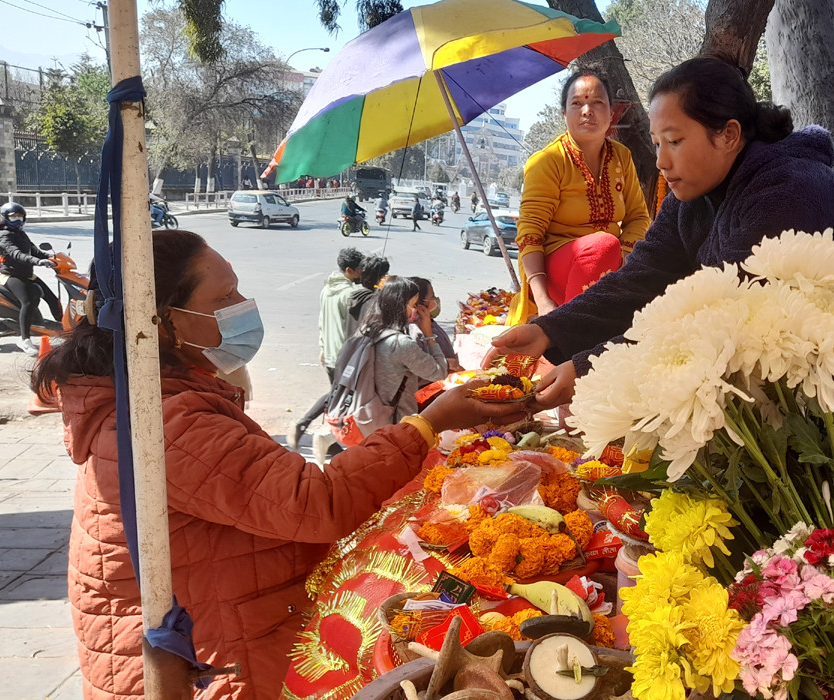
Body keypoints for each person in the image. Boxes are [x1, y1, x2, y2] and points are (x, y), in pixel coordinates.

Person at [32, 230, 522, 700]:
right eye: (225, 297)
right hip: (206, 660)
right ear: (164, 321)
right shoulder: (162, 422)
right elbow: (313, 501)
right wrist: (428, 424)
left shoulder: (162, 397)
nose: (243, 305)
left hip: (224, 624)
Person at [489, 56, 834, 424]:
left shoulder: (789, 188)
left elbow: (728, 318)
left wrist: (589, 367)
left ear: (729, 135)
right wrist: (549, 329)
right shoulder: (691, 194)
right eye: (656, 142)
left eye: (675, 141)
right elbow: (640, 279)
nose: (661, 160)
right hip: (780, 354)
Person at [507, 69, 651, 324]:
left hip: (610, 263)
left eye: (597, 102)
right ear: (564, 114)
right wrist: (543, 302)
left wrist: (624, 258)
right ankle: (569, 336)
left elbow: (639, 217)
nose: (587, 111)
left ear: (611, 113)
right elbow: (530, 234)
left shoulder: (621, 156)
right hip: (555, 270)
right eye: (577, 103)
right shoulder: (548, 161)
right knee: (602, 246)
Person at [290, 248, 363, 448]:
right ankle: (311, 427)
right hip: (345, 355)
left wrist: (322, 347)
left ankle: (331, 440)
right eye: (359, 270)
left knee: (338, 397)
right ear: (349, 270)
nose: (361, 274)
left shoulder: (327, 289)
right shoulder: (351, 294)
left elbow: (321, 321)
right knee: (340, 398)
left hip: (330, 352)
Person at [364, 276, 450, 423]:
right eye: (414, 304)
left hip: (366, 414)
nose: (416, 309)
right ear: (401, 305)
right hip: (395, 421)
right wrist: (429, 336)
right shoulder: (401, 344)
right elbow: (439, 372)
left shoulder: (366, 331)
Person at [0, 202, 61, 355]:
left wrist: (52, 257)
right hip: (10, 274)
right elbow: (16, 254)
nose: (17, 220)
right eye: (13, 217)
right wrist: (38, 262)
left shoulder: (20, 233)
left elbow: (34, 250)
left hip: (26, 274)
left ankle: (66, 330)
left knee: (52, 298)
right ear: (5, 218)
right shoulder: (4, 235)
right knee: (28, 301)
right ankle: (24, 339)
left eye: (20, 217)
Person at [410, 276, 461, 372]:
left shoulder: (429, 321)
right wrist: (447, 363)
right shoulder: (416, 332)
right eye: (432, 297)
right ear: (418, 304)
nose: (436, 300)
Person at [344, 254, 390, 337]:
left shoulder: (353, 297)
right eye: (386, 275)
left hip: (352, 348)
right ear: (381, 278)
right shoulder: (376, 303)